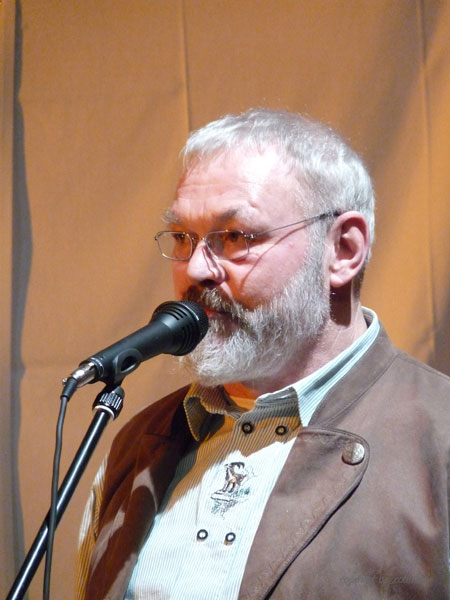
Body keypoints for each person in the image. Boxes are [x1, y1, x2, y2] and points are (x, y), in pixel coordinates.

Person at [76, 109, 450, 599]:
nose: (196, 270)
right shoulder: (136, 446)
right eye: (183, 238)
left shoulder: (439, 436)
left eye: (236, 237)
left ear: (343, 250)